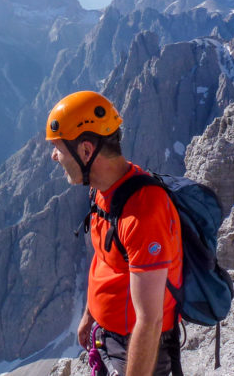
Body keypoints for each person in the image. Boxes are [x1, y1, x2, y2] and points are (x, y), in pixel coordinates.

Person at [46, 90, 183, 376]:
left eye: (59, 148)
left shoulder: (143, 214)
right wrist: (90, 313)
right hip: (109, 335)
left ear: (86, 151)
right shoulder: (104, 191)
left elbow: (150, 321)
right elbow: (104, 255)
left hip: (137, 347)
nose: (54, 156)